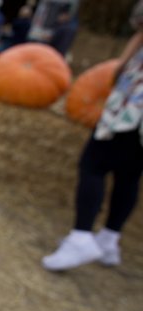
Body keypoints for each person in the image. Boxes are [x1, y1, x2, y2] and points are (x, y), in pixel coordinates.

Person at [42, 0, 143, 271]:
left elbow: (141, 25)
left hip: (137, 99)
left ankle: (81, 236)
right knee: (130, 172)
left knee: (94, 163)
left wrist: (122, 66)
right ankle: (110, 239)